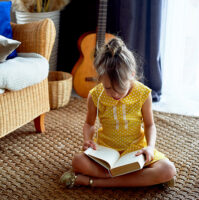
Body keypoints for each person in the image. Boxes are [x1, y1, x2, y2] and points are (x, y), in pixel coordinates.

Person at [60, 37, 176, 188]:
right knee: (78, 161)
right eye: (108, 88)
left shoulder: (143, 93)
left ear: (132, 75)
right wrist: (87, 139)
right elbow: (89, 123)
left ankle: (93, 182)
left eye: (120, 89)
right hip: (106, 152)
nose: (114, 94)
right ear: (100, 79)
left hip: (136, 150)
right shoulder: (95, 95)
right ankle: (136, 179)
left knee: (168, 170)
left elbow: (150, 125)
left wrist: (150, 147)